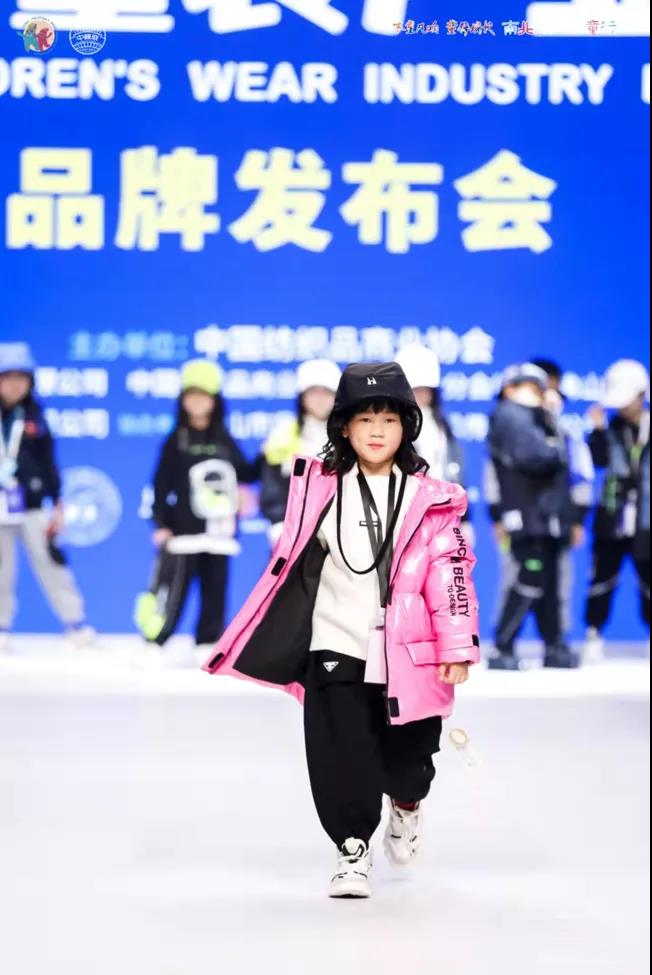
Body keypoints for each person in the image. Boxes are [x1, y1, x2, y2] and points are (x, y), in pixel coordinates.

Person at [202, 362, 480, 899]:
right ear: (344, 428)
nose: (377, 431)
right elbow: (290, 563)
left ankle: (406, 806)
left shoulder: (433, 498)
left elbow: (451, 576)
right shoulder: (317, 487)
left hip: (409, 649)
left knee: (408, 763)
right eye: (364, 419)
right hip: (335, 638)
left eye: (389, 419)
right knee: (340, 752)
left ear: (408, 426)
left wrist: (456, 647)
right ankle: (352, 848)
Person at [135, 359, 258, 653]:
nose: (197, 402)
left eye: (204, 395)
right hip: (183, 530)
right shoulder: (176, 439)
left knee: (215, 588)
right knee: (174, 589)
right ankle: (157, 640)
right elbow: (160, 485)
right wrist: (160, 524)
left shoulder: (224, 438)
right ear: (182, 400)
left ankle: (207, 641)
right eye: (191, 395)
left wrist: (267, 457)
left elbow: (244, 473)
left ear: (215, 400)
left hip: (220, 530)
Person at [0, 342, 94, 652]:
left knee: (51, 563)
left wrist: (58, 504)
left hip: (32, 505)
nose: (15, 385)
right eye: (7, 377)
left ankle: (75, 623)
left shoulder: (35, 417)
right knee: (1, 569)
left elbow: (49, 464)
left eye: (21, 378)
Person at [487, 363, 580, 670]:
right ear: (510, 389)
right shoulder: (509, 415)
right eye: (529, 387)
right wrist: (551, 435)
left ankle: (554, 646)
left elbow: (561, 459)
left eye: (539, 389)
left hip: (546, 516)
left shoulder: (538, 417)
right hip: (526, 515)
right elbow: (538, 455)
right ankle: (502, 647)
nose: (537, 395)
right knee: (528, 577)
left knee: (549, 584)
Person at [584, 359, 650, 661]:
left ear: (642, 394)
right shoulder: (610, 429)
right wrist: (597, 430)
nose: (623, 408)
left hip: (646, 519)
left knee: (647, 578)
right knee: (603, 578)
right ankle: (594, 634)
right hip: (613, 518)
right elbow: (598, 461)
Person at [394, 343, 473, 538]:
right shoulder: (394, 426)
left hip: (444, 512)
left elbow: (455, 473)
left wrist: (464, 519)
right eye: (415, 389)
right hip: (409, 515)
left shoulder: (441, 424)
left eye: (425, 388)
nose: (421, 393)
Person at [259, 358, 341, 547]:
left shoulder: (350, 435)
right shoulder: (282, 436)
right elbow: (272, 489)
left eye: (326, 392)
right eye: (313, 392)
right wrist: (279, 524)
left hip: (341, 534)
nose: (320, 399)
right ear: (302, 397)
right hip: (293, 534)